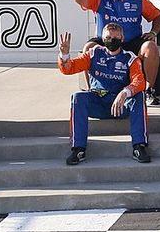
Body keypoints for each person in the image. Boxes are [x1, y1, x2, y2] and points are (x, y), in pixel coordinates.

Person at [57, 27, 150, 165]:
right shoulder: (94, 53)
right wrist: (64, 55)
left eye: (115, 38)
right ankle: (78, 149)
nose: (111, 41)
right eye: (107, 38)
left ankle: (139, 146)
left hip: (120, 105)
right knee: (78, 97)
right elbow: (69, 68)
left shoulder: (130, 58)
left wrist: (125, 92)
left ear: (122, 39)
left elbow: (140, 81)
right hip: (98, 102)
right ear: (102, 39)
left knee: (139, 97)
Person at [73, 0, 160, 105]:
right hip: (106, 42)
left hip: (131, 41)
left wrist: (153, 32)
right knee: (88, 48)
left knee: (151, 47)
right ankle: (93, 91)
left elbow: (157, 16)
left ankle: (148, 91)